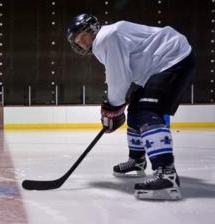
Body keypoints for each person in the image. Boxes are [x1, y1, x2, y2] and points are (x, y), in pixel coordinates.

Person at [66, 14, 194, 200]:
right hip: (157, 66)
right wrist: (115, 106)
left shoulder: (105, 38)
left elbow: (118, 80)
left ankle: (166, 174)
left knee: (148, 111)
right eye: (79, 41)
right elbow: (122, 75)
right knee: (134, 110)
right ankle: (137, 160)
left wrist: (111, 107)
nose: (84, 42)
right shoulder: (106, 40)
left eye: (84, 36)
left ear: (93, 29)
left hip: (172, 57)